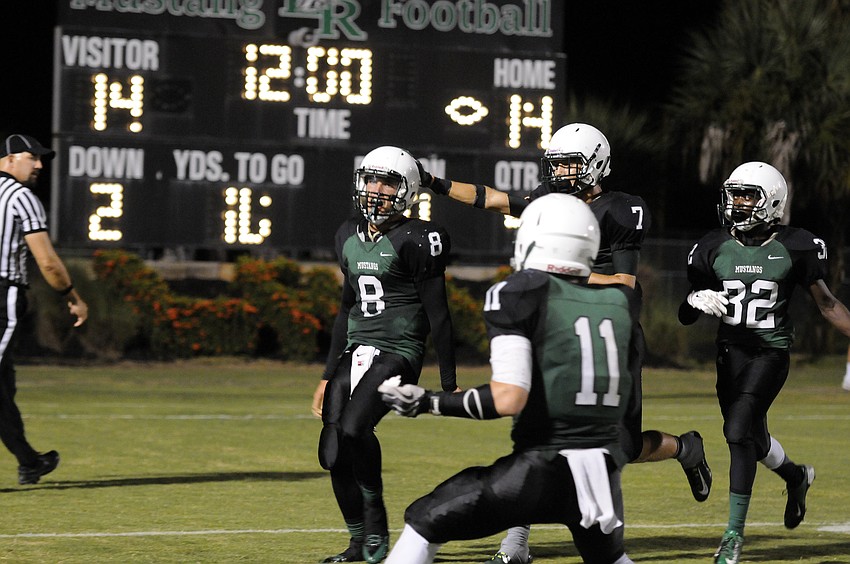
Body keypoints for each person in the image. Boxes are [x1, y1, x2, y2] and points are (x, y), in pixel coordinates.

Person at [419, 123, 711, 563]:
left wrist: (558, 267)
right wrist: (436, 185)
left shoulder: (622, 208)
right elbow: (492, 198)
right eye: (556, 164)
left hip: (608, 332)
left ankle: (685, 448)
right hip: (555, 327)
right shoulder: (549, 200)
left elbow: (625, 284)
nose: (561, 174)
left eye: (571, 164)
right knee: (538, 428)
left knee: (623, 447)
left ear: (598, 165)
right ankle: (515, 541)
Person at [378, 194, 637, 564]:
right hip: (602, 473)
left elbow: (507, 398)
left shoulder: (521, 293)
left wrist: (428, 402)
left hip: (542, 467)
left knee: (424, 520)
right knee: (609, 558)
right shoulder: (619, 303)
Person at [677, 161, 850, 564]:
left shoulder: (796, 244)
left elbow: (828, 305)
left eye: (747, 195)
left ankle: (733, 535)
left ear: (771, 201)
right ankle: (795, 476)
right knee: (752, 440)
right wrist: (692, 301)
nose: (736, 203)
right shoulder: (711, 246)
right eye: (733, 194)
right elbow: (684, 314)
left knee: (737, 432)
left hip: (769, 353)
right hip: (729, 356)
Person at [311, 146, 459, 563]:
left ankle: (375, 518)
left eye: (388, 182)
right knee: (332, 450)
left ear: (408, 189)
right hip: (357, 349)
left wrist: (448, 382)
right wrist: (326, 375)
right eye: (372, 179)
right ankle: (358, 542)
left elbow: (439, 315)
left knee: (357, 429)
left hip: (399, 351)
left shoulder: (419, 238)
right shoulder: (347, 234)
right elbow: (345, 309)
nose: (376, 189)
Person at [0, 133, 88, 485]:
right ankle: (29, 461)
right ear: (7, 160)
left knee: (4, 384)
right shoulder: (21, 197)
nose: (38, 165)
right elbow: (48, 262)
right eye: (30, 157)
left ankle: (29, 461)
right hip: (3, 294)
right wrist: (72, 295)